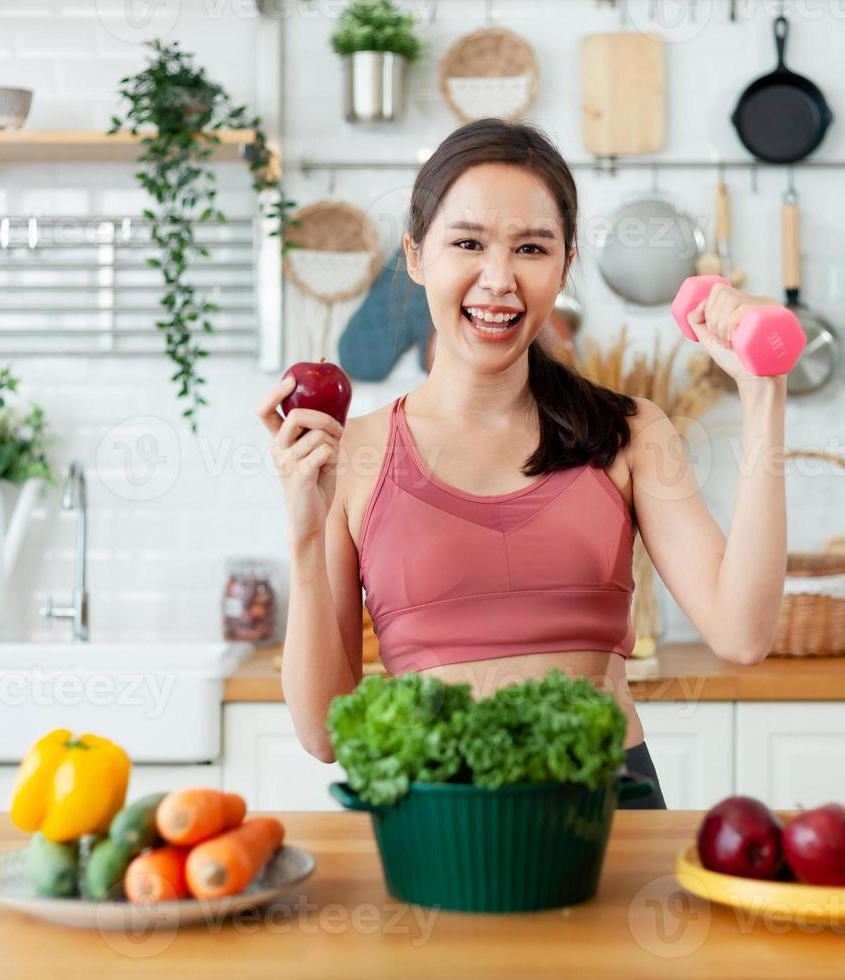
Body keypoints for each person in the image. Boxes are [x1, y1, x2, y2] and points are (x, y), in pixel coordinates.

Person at [257, 118, 789, 809]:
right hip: (434, 808)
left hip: (607, 807)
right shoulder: (353, 453)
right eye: (468, 243)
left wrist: (762, 395)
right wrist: (304, 534)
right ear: (416, 257)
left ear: (565, 265)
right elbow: (324, 732)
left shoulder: (628, 434)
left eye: (532, 248)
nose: (499, 280)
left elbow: (743, 633)